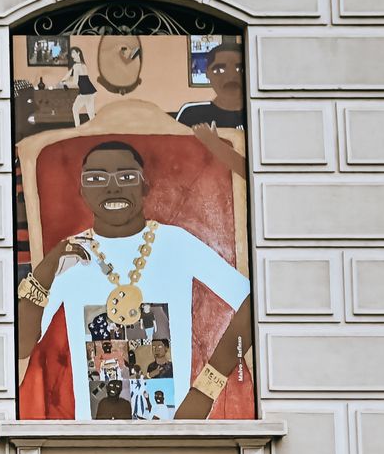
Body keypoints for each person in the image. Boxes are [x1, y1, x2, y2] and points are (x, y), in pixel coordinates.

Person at [17, 140, 252, 421]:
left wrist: (204, 391)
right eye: (96, 178)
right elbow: (20, 347)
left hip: (173, 432)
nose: (112, 187)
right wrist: (45, 273)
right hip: (92, 437)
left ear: (145, 187)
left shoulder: (176, 243)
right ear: (82, 191)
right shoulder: (68, 256)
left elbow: (252, 303)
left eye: (127, 177)